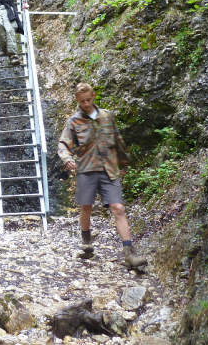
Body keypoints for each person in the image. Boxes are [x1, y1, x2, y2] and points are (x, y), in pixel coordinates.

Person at [58, 83, 148, 269]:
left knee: (118, 208)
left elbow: (118, 140)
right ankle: (86, 241)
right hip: (87, 170)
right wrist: (67, 159)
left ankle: (129, 253)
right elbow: (63, 144)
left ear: (94, 95)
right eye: (82, 101)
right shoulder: (73, 121)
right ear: (77, 100)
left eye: (89, 99)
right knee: (86, 207)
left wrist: (123, 163)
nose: (86, 103)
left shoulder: (107, 116)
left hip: (109, 169)